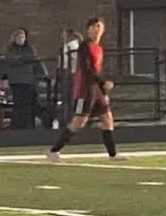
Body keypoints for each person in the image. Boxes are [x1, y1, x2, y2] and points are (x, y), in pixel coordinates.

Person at [49, 17, 118, 161]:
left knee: (107, 119)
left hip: (96, 89)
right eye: (93, 27)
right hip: (85, 89)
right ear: (88, 30)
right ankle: (54, 151)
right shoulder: (85, 46)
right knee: (79, 122)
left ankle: (113, 154)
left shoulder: (98, 48)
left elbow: (97, 70)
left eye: (99, 26)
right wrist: (103, 82)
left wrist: (102, 90)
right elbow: (88, 69)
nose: (96, 30)